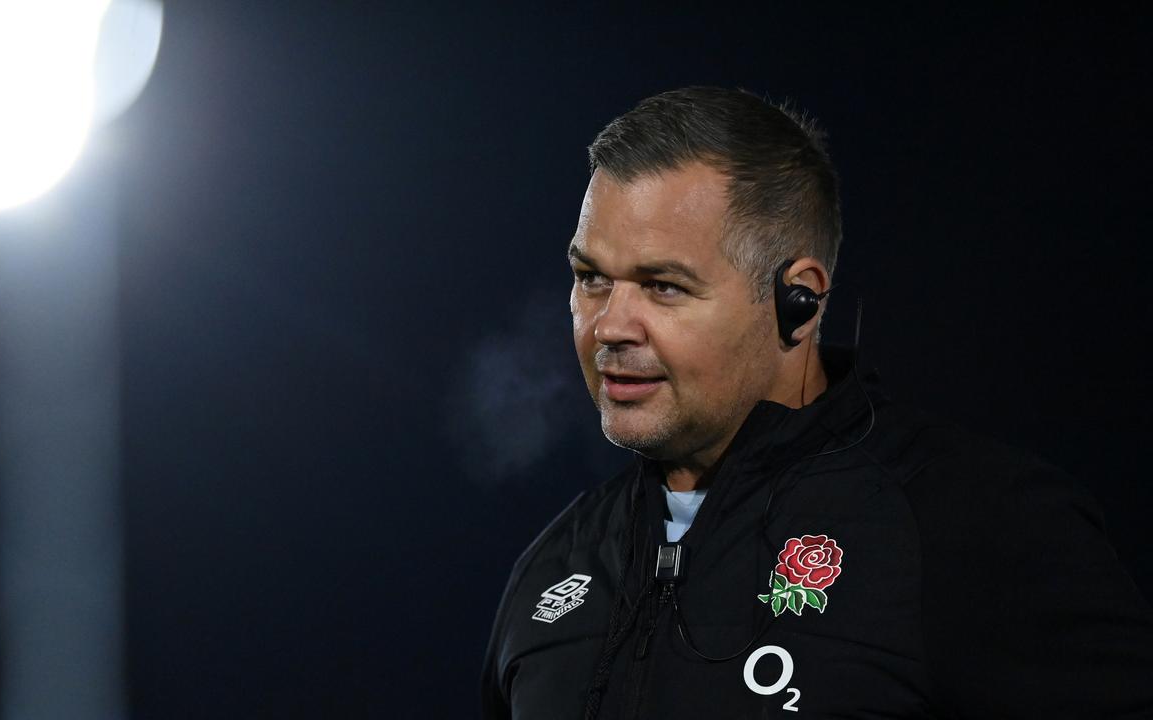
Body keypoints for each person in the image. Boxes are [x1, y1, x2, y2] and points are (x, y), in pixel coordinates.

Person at [480, 86, 1153, 719]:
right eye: (591, 277)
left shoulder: (973, 525)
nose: (608, 327)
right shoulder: (553, 567)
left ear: (796, 304)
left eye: (664, 287)